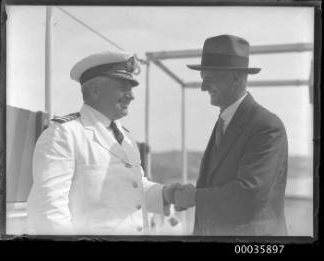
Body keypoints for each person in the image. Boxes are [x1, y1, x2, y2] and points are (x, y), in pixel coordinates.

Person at [27, 51, 182, 235]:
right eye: (124, 87)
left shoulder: (126, 138)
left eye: (131, 89)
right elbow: (47, 210)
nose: (131, 96)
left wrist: (164, 194)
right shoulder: (64, 134)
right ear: (95, 90)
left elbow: (133, 188)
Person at [174, 35, 288, 236]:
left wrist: (195, 197)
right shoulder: (224, 122)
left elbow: (250, 194)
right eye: (203, 80)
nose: (203, 88)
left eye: (208, 79)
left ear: (235, 78)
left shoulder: (268, 127)